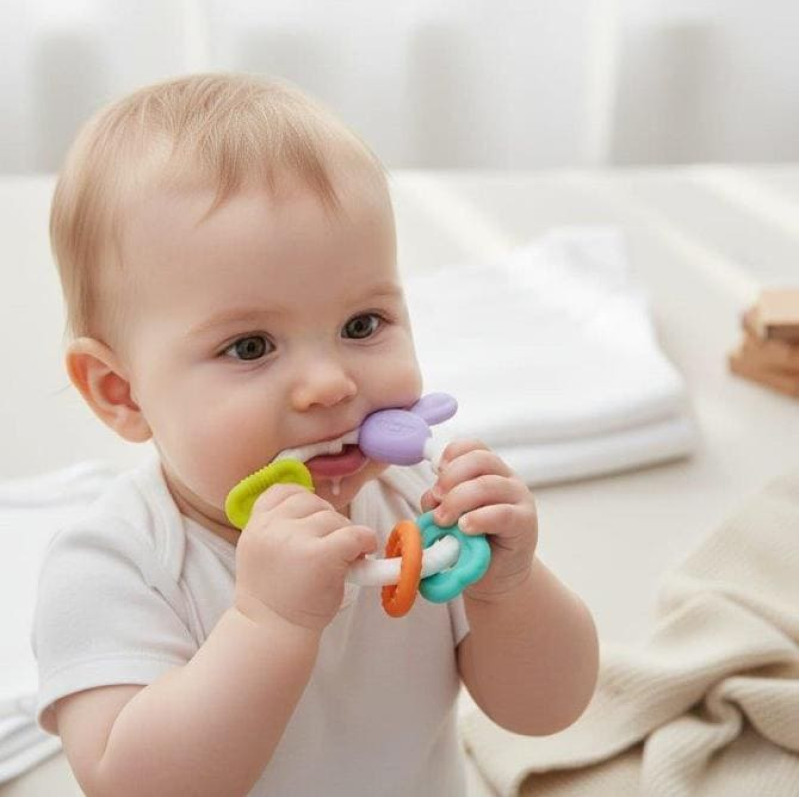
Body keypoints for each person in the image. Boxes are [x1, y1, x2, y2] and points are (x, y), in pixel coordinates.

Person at [33, 73, 599, 796]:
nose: (330, 384)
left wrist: (509, 588)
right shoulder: (115, 566)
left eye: (362, 325)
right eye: (250, 346)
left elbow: (548, 711)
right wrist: (268, 623)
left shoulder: (424, 501)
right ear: (122, 392)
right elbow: (132, 786)